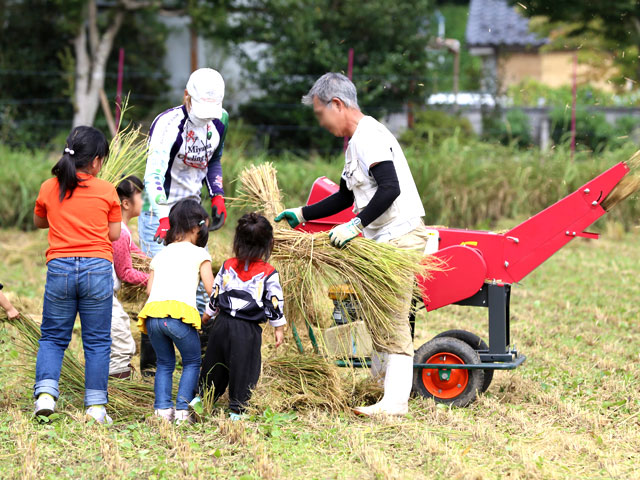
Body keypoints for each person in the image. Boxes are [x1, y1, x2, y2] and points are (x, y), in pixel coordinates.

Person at [275, 72, 428, 417]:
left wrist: (356, 225)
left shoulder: (369, 136)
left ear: (338, 105)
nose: (320, 122)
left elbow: (390, 188)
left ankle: (396, 402)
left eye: (320, 113)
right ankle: (380, 385)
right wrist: (303, 212)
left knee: (391, 317)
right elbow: (347, 195)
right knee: (377, 315)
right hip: (384, 238)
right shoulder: (355, 141)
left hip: (399, 237)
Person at [137, 67, 229, 375]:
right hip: (160, 210)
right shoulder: (168, 124)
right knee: (160, 284)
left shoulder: (220, 121)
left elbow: (213, 161)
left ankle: (199, 353)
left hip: (192, 213)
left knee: (198, 283)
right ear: (186, 96)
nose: (205, 117)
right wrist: (163, 217)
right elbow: (152, 176)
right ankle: (152, 362)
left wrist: (217, 194)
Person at [33, 126, 121, 424]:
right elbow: (114, 233)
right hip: (97, 268)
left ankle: (45, 395)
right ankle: (96, 408)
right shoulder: (108, 190)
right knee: (96, 341)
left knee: (53, 337)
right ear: (96, 161)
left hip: (60, 269)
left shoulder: (49, 187)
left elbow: (39, 220)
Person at [199, 213, 286, 420]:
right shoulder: (268, 272)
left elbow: (216, 293)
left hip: (222, 324)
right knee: (244, 366)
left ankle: (202, 400)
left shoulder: (228, 265)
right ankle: (237, 409)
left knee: (214, 362)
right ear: (268, 244)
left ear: (237, 241)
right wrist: (278, 327)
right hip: (247, 330)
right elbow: (274, 301)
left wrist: (207, 315)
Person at [137, 199, 214, 424]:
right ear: (194, 228)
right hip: (179, 317)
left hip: (152, 317)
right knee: (191, 362)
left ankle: (162, 412)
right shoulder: (200, 254)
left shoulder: (160, 255)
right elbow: (212, 290)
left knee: (164, 363)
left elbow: (150, 289)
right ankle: (182, 411)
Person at [110, 175, 149, 379]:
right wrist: (153, 279)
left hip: (107, 293)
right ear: (126, 203)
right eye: (140, 197)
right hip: (104, 293)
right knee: (124, 343)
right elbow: (125, 272)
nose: (144, 202)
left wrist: (156, 266)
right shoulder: (120, 232)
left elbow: (137, 254)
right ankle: (118, 391)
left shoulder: (124, 230)